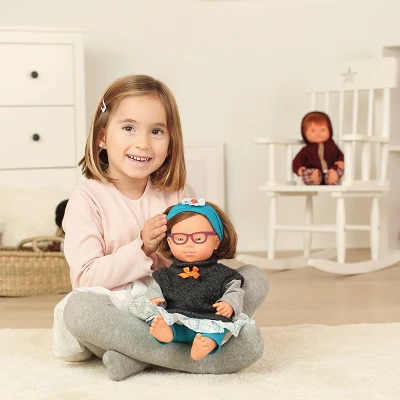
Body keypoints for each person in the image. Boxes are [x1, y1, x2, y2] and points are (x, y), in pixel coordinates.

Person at [57, 74, 269, 381]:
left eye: (156, 131)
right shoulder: (86, 198)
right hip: (119, 310)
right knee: (79, 310)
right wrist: (143, 248)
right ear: (102, 136)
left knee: (252, 277)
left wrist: (199, 247)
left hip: (178, 305)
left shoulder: (177, 195)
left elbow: (195, 267)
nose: (143, 143)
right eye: (128, 128)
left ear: (171, 143)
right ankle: (197, 357)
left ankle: (137, 356)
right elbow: (86, 278)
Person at [131, 198, 255, 361]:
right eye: (180, 239)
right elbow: (155, 289)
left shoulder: (225, 275)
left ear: (216, 242)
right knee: (158, 319)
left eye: (198, 238)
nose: (189, 245)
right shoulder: (164, 275)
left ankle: (207, 343)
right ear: (170, 242)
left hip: (209, 319)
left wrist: (229, 304)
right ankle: (167, 334)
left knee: (217, 329)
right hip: (176, 317)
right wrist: (154, 299)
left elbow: (235, 291)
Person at [292, 111, 345, 185]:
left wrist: (342, 161)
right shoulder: (306, 150)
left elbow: (339, 155)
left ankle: (332, 178)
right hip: (314, 170)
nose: (318, 133)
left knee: (338, 170)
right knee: (306, 172)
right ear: (304, 133)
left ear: (330, 130)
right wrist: (298, 168)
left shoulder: (332, 146)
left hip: (330, 170)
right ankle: (314, 179)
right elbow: (298, 159)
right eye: (313, 130)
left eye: (323, 130)